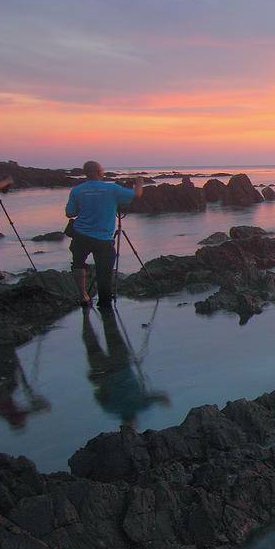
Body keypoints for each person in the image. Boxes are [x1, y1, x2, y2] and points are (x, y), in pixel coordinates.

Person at [65, 160, 145, 308]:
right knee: (104, 271)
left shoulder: (76, 190)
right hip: (103, 238)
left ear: (86, 173)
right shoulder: (112, 189)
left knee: (78, 264)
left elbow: (70, 213)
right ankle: (105, 303)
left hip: (80, 234)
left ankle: (83, 295)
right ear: (99, 172)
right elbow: (136, 195)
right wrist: (139, 182)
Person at [81, 308, 169, 425]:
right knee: (91, 342)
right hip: (104, 371)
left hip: (121, 363)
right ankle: (86, 314)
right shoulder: (111, 409)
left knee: (112, 331)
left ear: (135, 419)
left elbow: (159, 396)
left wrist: (164, 400)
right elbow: (98, 395)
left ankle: (101, 307)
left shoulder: (140, 405)